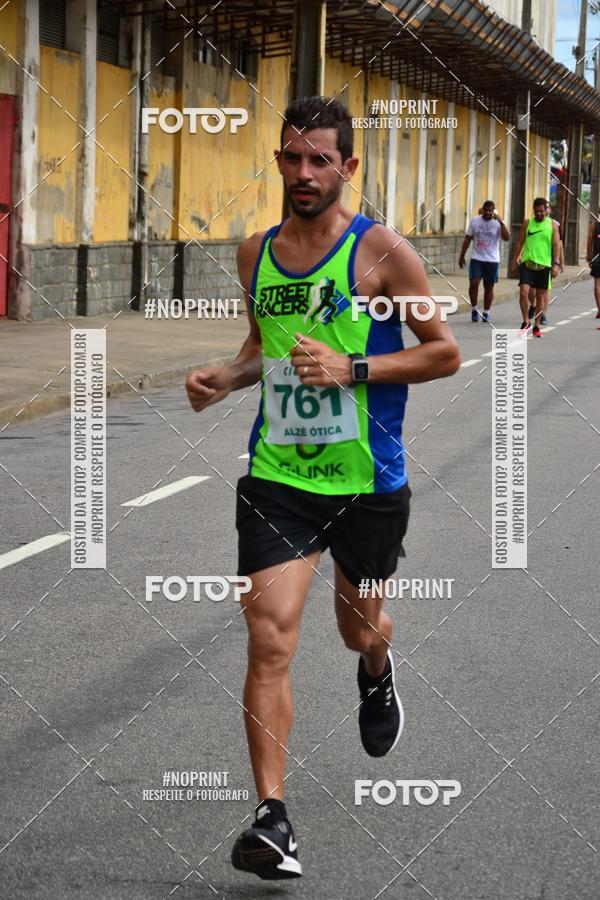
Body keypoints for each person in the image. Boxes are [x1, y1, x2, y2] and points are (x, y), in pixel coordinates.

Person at [185, 96, 461, 881]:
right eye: (291, 157)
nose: (304, 174)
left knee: (358, 628)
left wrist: (355, 368)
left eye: (320, 160)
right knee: (270, 635)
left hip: (368, 483)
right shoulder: (255, 255)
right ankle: (273, 818)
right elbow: (259, 350)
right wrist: (226, 376)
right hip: (278, 476)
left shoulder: (382, 254)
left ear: (348, 166)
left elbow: (443, 352)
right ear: (277, 160)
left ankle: (377, 669)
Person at [510, 197, 561, 337]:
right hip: (528, 263)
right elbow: (519, 242)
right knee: (523, 292)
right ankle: (526, 321)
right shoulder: (528, 223)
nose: (538, 214)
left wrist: (556, 264)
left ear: (546, 211)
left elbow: (557, 246)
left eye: (541, 211)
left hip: (544, 266)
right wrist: (514, 260)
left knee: (540, 297)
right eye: (536, 211)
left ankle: (537, 325)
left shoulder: (552, 225)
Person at [459, 200, 509, 322]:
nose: (488, 213)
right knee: (474, 282)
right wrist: (462, 256)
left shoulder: (498, 223)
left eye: (490, 211)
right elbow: (467, 239)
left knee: (489, 286)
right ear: (482, 210)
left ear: (493, 211)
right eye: (486, 210)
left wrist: (501, 222)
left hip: (492, 260)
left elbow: (507, 238)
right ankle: (474, 309)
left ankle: (486, 312)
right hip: (477, 258)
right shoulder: (475, 221)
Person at [586, 211, 600, 320]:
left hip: (597, 259)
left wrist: (589, 257)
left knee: (597, 285)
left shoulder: (593, 225)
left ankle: (599, 310)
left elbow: (589, 242)